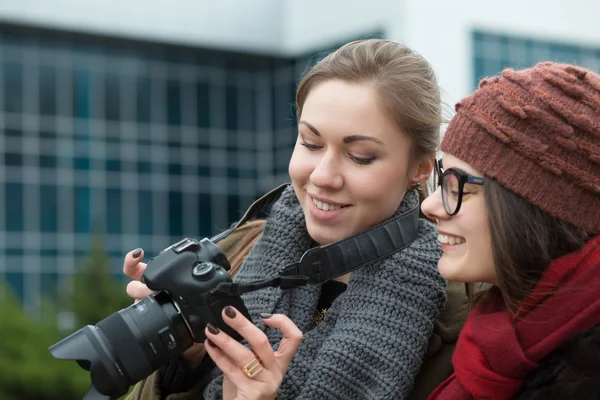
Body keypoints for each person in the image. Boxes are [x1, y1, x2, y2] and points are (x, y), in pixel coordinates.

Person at [124, 39, 454, 400]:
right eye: (310, 143)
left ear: (420, 168)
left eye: (360, 156)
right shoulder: (235, 250)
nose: (323, 176)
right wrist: (187, 357)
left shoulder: (464, 309)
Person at [420, 62, 600, 399]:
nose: (428, 207)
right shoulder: (489, 337)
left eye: (457, 187)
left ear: (531, 206)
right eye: (442, 178)